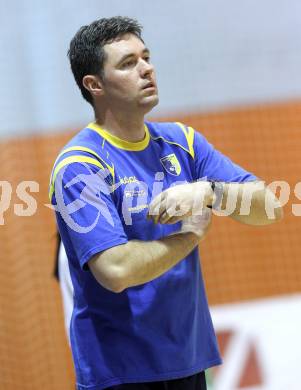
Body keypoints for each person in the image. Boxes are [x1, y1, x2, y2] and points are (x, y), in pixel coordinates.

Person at [49, 16, 282, 390]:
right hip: (122, 373)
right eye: (128, 63)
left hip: (189, 360)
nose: (147, 69)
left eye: (146, 57)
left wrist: (211, 193)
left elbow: (269, 206)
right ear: (94, 85)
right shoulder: (80, 165)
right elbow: (116, 270)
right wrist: (190, 238)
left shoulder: (182, 141)